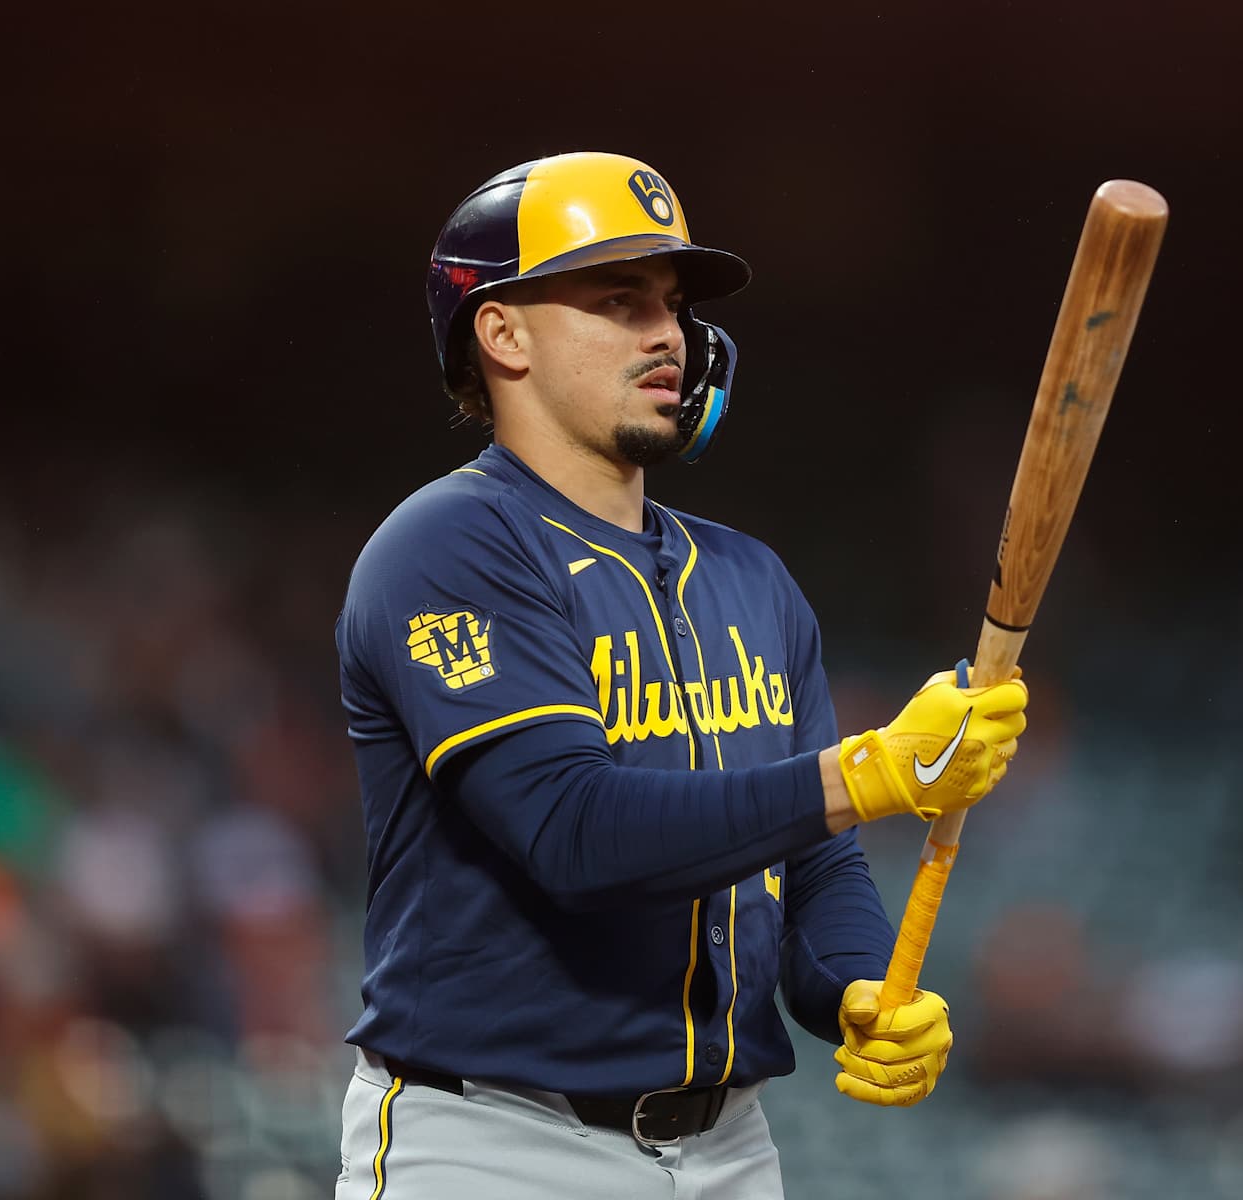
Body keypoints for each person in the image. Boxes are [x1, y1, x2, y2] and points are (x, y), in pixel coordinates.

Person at [332, 151, 1030, 1198]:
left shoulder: (752, 579)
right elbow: (573, 832)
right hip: (494, 1144)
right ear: (502, 331)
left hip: (731, 1153)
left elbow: (815, 865)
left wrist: (853, 990)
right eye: (618, 299)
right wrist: (869, 773)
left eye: (671, 303)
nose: (669, 333)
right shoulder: (448, 546)